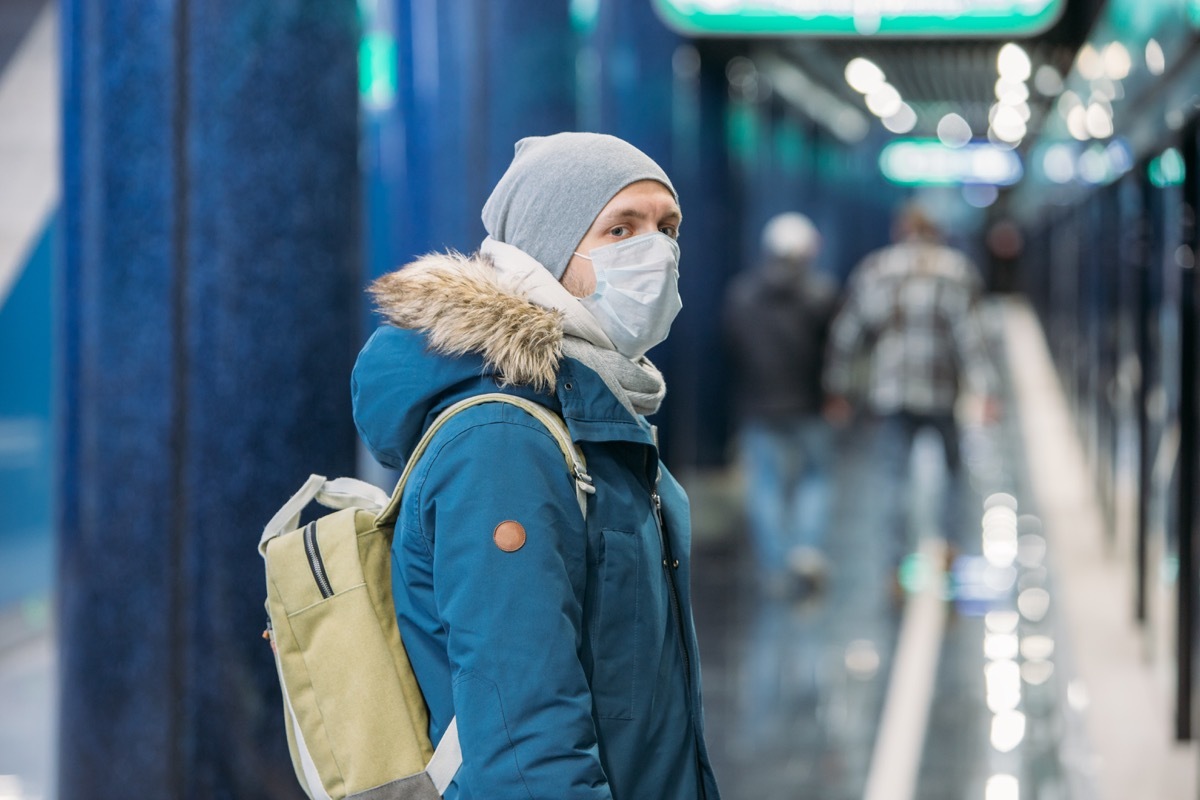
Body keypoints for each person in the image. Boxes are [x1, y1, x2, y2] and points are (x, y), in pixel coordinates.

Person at [351, 132, 721, 800]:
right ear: (548, 251)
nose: (658, 251)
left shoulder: (598, 410)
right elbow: (525, 750)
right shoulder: (504, 441)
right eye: (621, 227)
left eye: (668, 227)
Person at [823, 202, 999, 595]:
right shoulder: (956, 270)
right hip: (942, 393)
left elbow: (849, 334)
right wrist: (987, 391)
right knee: (953, 476)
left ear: (900, 230)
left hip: (892, 394)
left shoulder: (877, 269)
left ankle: (895, 563)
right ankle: (949, 547)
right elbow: (971, 337)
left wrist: (839, 388)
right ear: (938, 232)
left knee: (893, 479)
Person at [722, 212, 838, 596]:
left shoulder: (741, 295)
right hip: (809, 404)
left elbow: (730, 350)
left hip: (758, 404)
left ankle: (775, 566)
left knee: (766, 484)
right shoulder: (822, 295)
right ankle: (805, 550)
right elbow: (835, 352)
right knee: (814, 477)